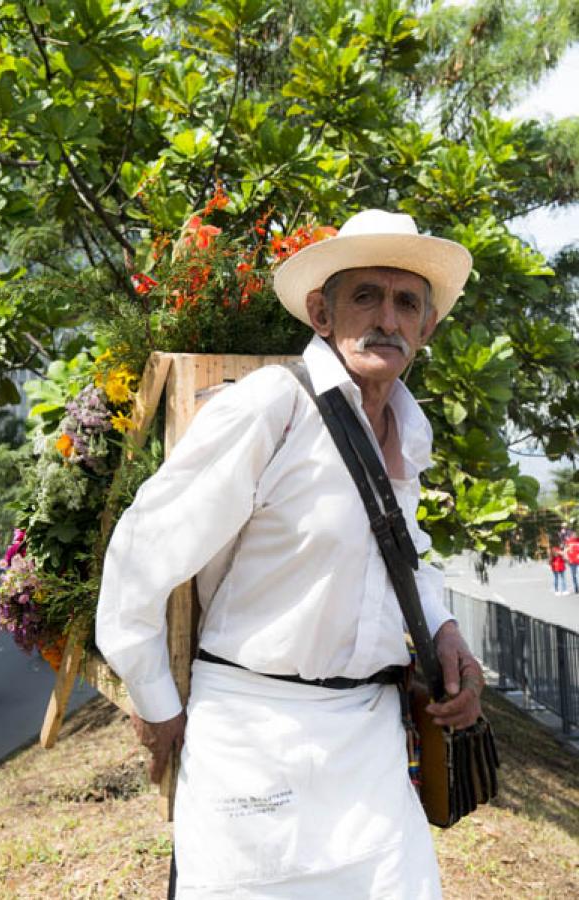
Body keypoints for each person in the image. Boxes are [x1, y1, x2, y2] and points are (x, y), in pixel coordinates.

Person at [96, 209, 484, 899]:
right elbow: (140, 553)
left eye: (405, 303)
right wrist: (155, 702)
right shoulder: (272, 407)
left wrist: (443, 628)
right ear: (321, 312)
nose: (386, 319)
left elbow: (400, 549)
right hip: (252, 736)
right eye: (365, 294)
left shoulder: (406, 427)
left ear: (426, 327)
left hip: (367, 751)